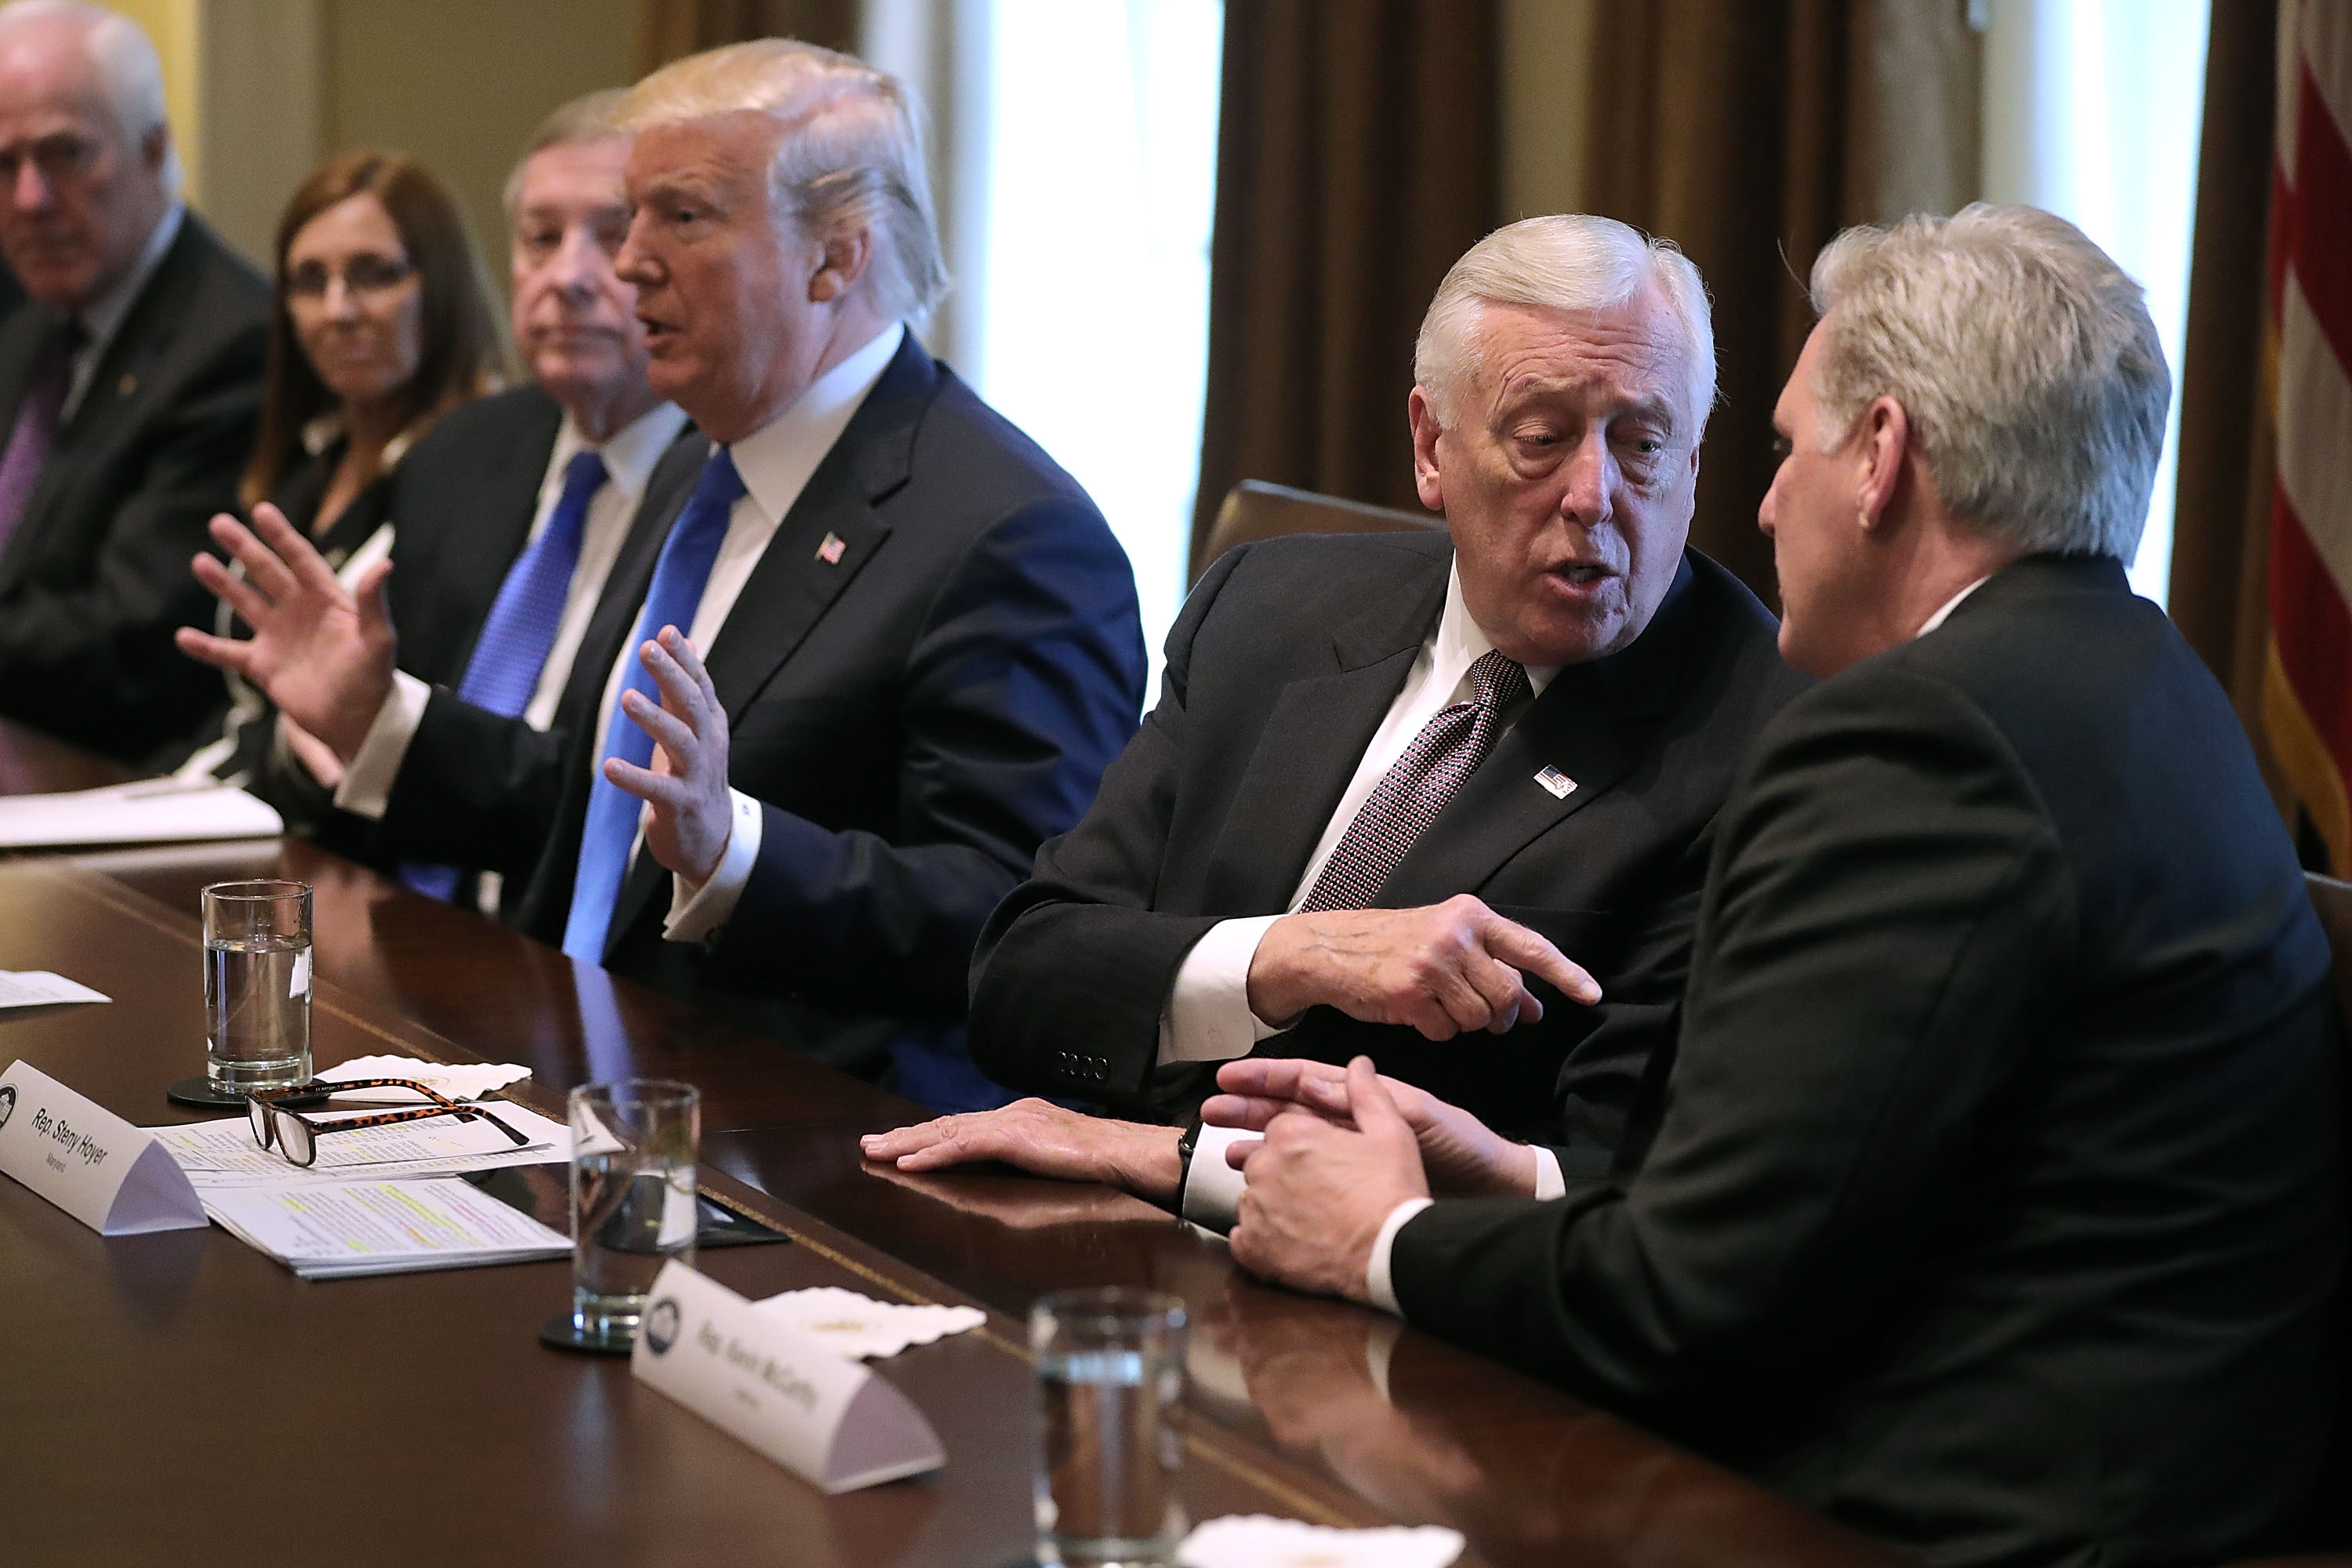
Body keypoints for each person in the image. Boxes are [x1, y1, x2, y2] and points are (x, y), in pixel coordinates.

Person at [1210, 206, 2347, 1568]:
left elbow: (1690, 1310)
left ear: (1880, 460)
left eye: (1786, 447)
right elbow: (1827, 1196)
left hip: (1958, 1519)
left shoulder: (1923, 745)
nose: (1757, 504)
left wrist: (1377, 1236)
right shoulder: (2145, 680)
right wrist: (1519, 1179)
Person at [177, 40, 1146, 1109]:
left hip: (804, 1141)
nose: (626, 261)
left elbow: (1024, 926)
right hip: (562, 1079)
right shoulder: (701, 463)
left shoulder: (1008, 532)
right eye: (633, 214)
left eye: (681, 217)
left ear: (836, 259)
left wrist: (737, 856)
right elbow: (602, 810)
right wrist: (382, 720)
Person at [865, 215, 1805, 1223]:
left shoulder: (1764, 747)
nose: (1593, 493)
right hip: (1098, 1243)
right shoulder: (1267, 609)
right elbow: (1022, 979)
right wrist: (1285, 956)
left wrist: (1153, 1153)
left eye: (1643, 444)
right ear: (1430, 446)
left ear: (1696, 466)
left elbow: (1604, 1178)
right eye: (1541, 440)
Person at [365, 89, 693, 909]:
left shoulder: (723, 485)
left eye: (612, 234)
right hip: (405, 917)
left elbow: (605, 803)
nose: (569, 277)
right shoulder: (460, 452)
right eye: (541, 238)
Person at [179, 147, 503, 800]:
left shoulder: (489, 473)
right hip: (236, 807)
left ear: (439, 285)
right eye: (308, 281)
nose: (338, 310)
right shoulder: (310, 460)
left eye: (374, 275)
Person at [0, 0, 267, 764]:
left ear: (153, 149)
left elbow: (128, 644)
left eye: (65, 155)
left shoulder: (234, 344)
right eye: (3, 164)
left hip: (115, 784)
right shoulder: (30, 330)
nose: (30, 200)